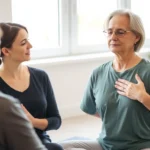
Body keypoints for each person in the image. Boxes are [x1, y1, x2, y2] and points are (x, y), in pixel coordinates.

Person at [60, 9, 150, 150]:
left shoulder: (147, 71)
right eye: (109, 32)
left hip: (140, 146)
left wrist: (142, 97)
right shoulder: (98, 73)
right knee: (59, 147)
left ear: (136, 37)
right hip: (105, 145)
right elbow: (90, 108)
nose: (113, 37)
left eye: (120, 32)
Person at [0, 23, 63, 150]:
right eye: (23, 43)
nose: (30, 46)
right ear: (6, 51)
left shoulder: (40, 76)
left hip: (39, 142)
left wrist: (33, 122)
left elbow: (56, 121)